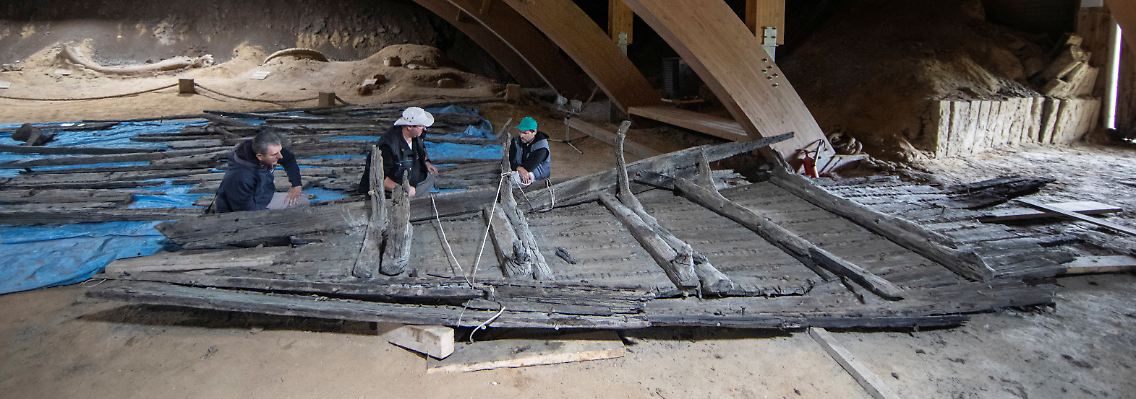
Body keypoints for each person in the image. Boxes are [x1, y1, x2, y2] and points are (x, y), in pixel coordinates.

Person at [213, 128, 305, 213]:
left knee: (301, 200)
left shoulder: (266, 150)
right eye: (275, 154)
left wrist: (296, 184)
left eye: (280, 151)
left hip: (262, 197)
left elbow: (289, 159)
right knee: (299, 206)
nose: (280, 156)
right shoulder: (241, 176)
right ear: (260, 156)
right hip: (241, 213)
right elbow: (245, 212)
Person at [358, 106, 439, 197]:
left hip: (414, 182)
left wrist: (426, 162)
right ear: (409, 127)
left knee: (430, 178)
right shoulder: (387, 147)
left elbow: (421, 148)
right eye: (421, 126)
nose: (424, 129)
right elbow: (379, 178)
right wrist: (404, 189)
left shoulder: (417, 134)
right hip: (392, 193)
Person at [508, 116, 551, 187]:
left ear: (534, 132)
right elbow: (509, 160)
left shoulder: (541, 147)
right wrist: (519, 168)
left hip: (538, 175)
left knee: (515, 179)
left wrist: (517, 168)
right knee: (508, 176)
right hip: (520, 169)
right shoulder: (516, 140)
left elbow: (528, 168)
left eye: (525, 133)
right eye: (520, 132)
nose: (521, 135)